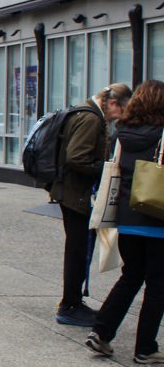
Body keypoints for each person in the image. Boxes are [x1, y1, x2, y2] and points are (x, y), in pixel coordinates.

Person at [85, 79, 164, 364]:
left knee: (131, 277)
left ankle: (102, 332)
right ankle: (145, 347)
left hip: (127, 218)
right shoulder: (161, 134)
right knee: (157, 285)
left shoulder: (123, 133)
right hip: (158, 219)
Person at [51, 83, 131, 326]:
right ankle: (70, 304)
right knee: (78, 250)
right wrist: (106, 170)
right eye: (121, 111)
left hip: (71, 193)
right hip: (77, 196)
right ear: (113, 103)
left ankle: (73, 301)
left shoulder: (85, 112)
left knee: (77, 249)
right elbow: (77, 157)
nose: (120, 118)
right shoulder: (91, 119)